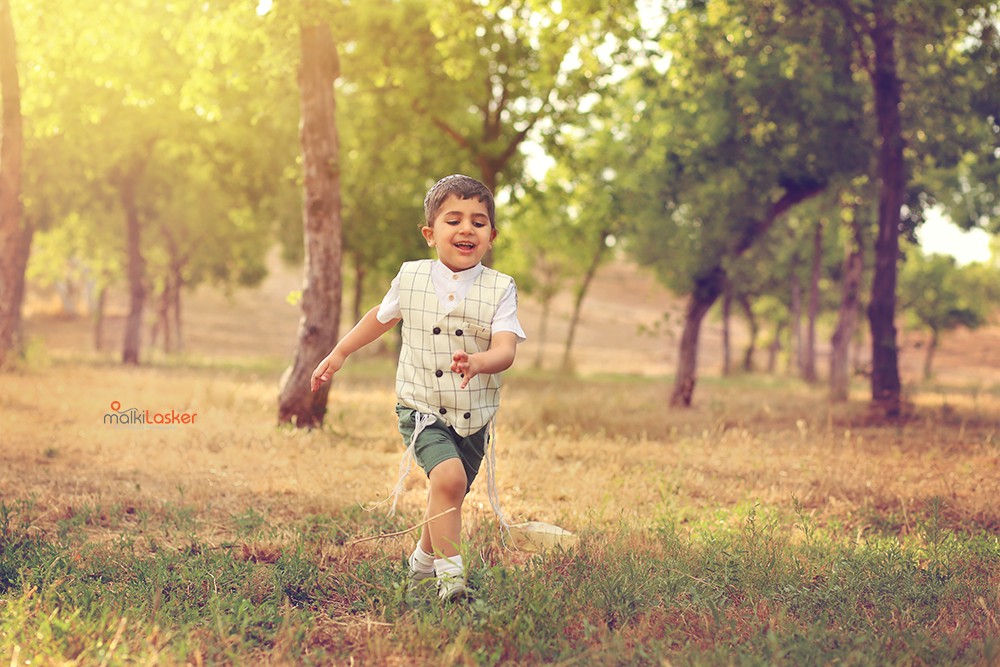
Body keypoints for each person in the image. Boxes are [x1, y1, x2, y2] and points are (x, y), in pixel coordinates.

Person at [310, 174, 525, 601]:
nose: (467, 229)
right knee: (446, 478)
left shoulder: (501, 288)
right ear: (430, 234)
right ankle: (452, 583)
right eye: (453, 220)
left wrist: (479, 361)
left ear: (492, 236)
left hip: (472, 414)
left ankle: (420, 566)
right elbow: (380, 316)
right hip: (421, 404)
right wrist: (340, 352)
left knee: (451, 492)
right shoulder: (410, 278)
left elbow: (505, 349)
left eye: (479, 222)